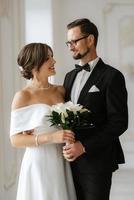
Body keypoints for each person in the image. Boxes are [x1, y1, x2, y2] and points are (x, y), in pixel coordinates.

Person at [63, 18, 128, 200]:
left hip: (97, 162)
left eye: (74, 41)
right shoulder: (69, 77)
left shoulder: (112, 76)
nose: (70, 47)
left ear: (90, 40)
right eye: (68, 42)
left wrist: (83, 147)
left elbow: (119, 122)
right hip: (67, 162)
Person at [10, 43, 77, 200]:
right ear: (34, 65)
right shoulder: (22, 96)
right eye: (48, 58)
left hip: (62, 161)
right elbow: (15, 139)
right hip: (38, 163)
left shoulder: (61, 90)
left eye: (52, 56)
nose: (54, 61)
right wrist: (52, 137)